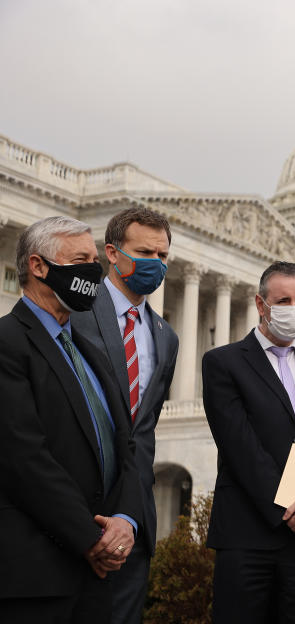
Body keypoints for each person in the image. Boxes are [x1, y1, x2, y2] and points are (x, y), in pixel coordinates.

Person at [0, 216, 141, 622]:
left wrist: (125, 520)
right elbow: (23, 458)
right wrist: (91, 539)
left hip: (93, 578)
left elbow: (125, 446)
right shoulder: (8, 343)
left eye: (95, 260)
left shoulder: (89, 352)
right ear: (38, 266)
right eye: (80, 259)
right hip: (35, 576)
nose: (93, 271)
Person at [202, 261, 295, 623]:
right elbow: (241, 448)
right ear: (260, 303)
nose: (294, 309)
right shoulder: (223, 363)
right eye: (284, 300)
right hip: (250, 534)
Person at [71, 207, 179, 624]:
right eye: (145, 252)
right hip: (75, 520)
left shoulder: (165, 337)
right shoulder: (74, 314)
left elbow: (142, 434)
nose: (156, 263)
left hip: (132, 528)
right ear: (112, 254)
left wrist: (129, 516)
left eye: (163, 255)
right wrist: (84, 526)